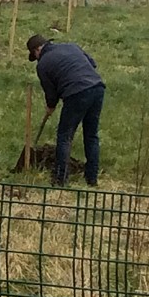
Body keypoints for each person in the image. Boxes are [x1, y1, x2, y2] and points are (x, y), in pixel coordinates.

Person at [27, 34, 106, 187]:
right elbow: (92, 64)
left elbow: (50, 93)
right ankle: (92, 178)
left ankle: (60, 179)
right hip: (97, 88)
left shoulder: (42, 64)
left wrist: (50, 106)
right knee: (91, 135)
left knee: (65, 136)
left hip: (76, 93)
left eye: (34, 55)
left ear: (37, 50)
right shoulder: (71, 46)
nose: (36, 58)